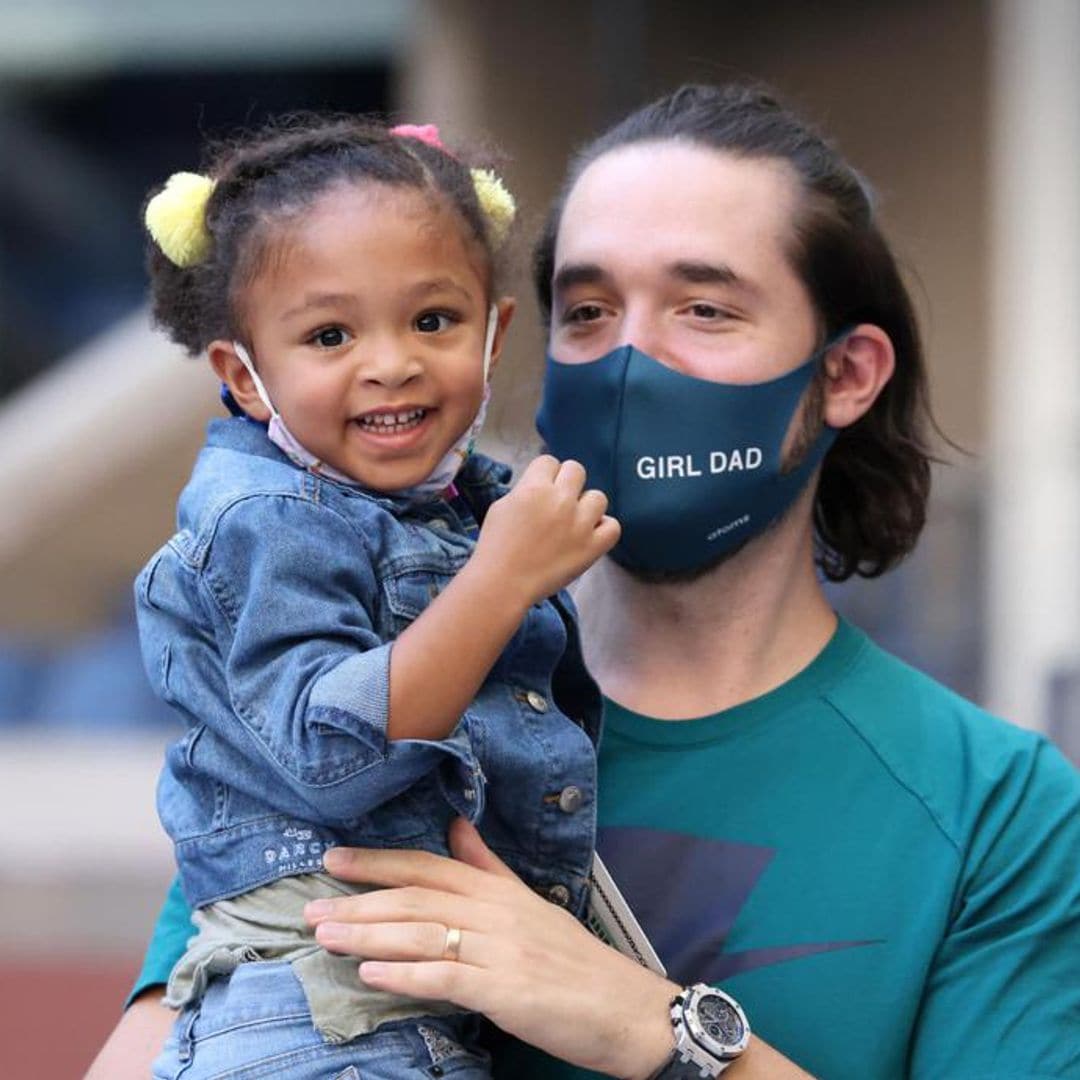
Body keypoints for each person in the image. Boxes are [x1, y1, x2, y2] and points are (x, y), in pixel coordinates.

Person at [90, 85, 1080, 1080]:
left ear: (846, 374)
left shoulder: (997, 807)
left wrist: (655, 1031)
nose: (630, 361)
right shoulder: (349, 727)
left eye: (704, 307)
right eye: (591, 310)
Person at [129, 115, 618, 1079]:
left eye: (432, 320)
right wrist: (502, 578)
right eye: (329, 333)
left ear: (493, 333)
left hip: (385, 1009)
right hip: (321, 1013)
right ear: (245, 376)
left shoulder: (452, 502)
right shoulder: (268, 520)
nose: (389, 361)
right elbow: (329, 756)